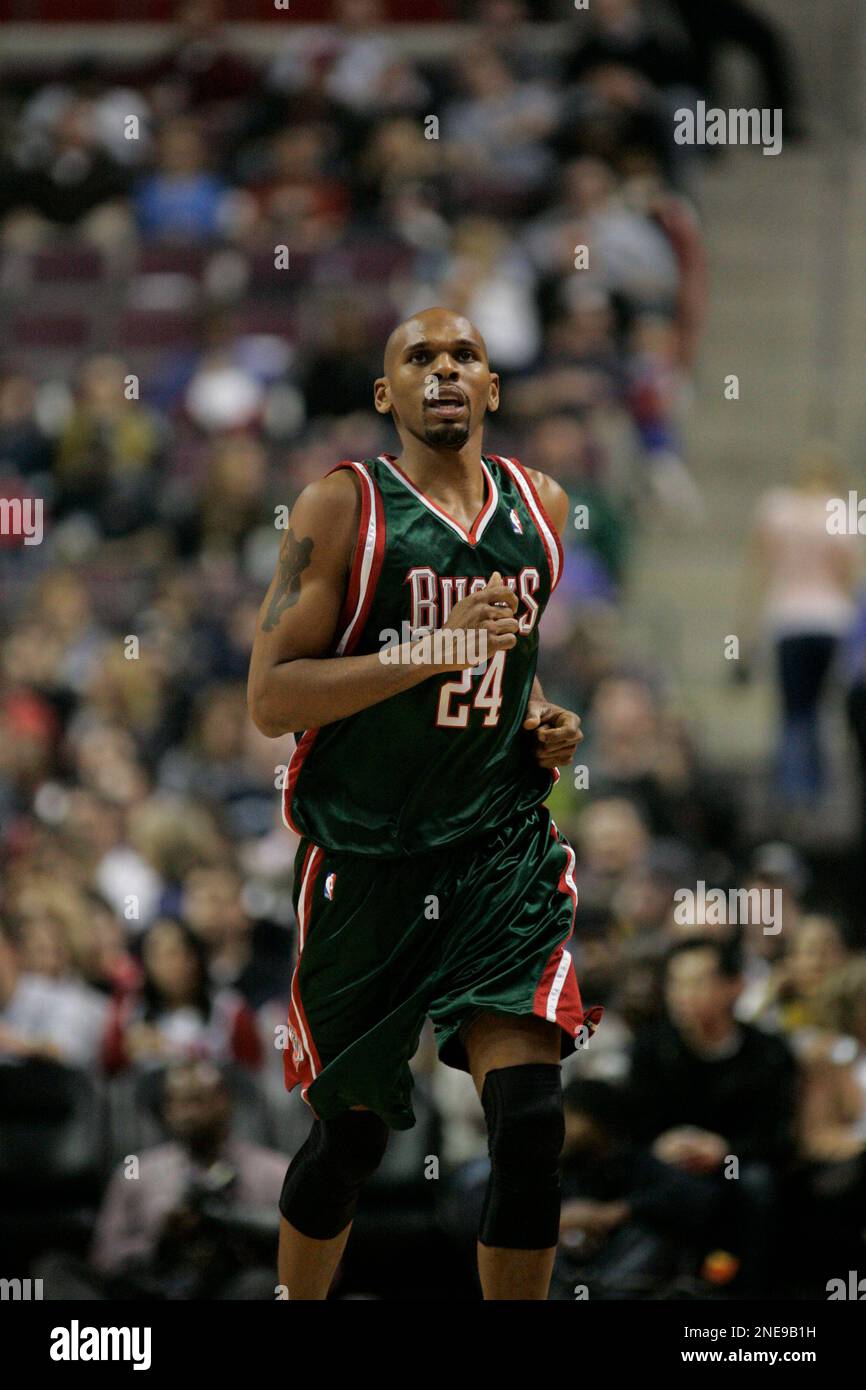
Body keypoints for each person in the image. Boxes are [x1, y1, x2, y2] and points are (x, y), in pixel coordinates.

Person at [247, 306, 604, 1301]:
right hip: (368, 858)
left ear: (492, 387)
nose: (443, 369)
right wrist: (431, 651)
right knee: (351, 1136)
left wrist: (539, 717)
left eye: (464, 355)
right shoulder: (342, 506)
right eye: (420, 357)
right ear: (385, 394)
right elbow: (271, 697)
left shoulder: (541, 505)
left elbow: (508, 662)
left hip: (497, 846)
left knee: (530, 1123)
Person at [625, 935, 798, 1296]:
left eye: (697, 981)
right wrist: (663, 1143)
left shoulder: (768, 1053)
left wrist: (724, 1149)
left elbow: (780, 1136)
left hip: (739, 1163)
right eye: (676, 982)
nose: (682, 994)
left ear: (734, 986)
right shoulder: (650, 1049)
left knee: (756, 1184)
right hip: (667, 1164)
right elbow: (632, 1126)